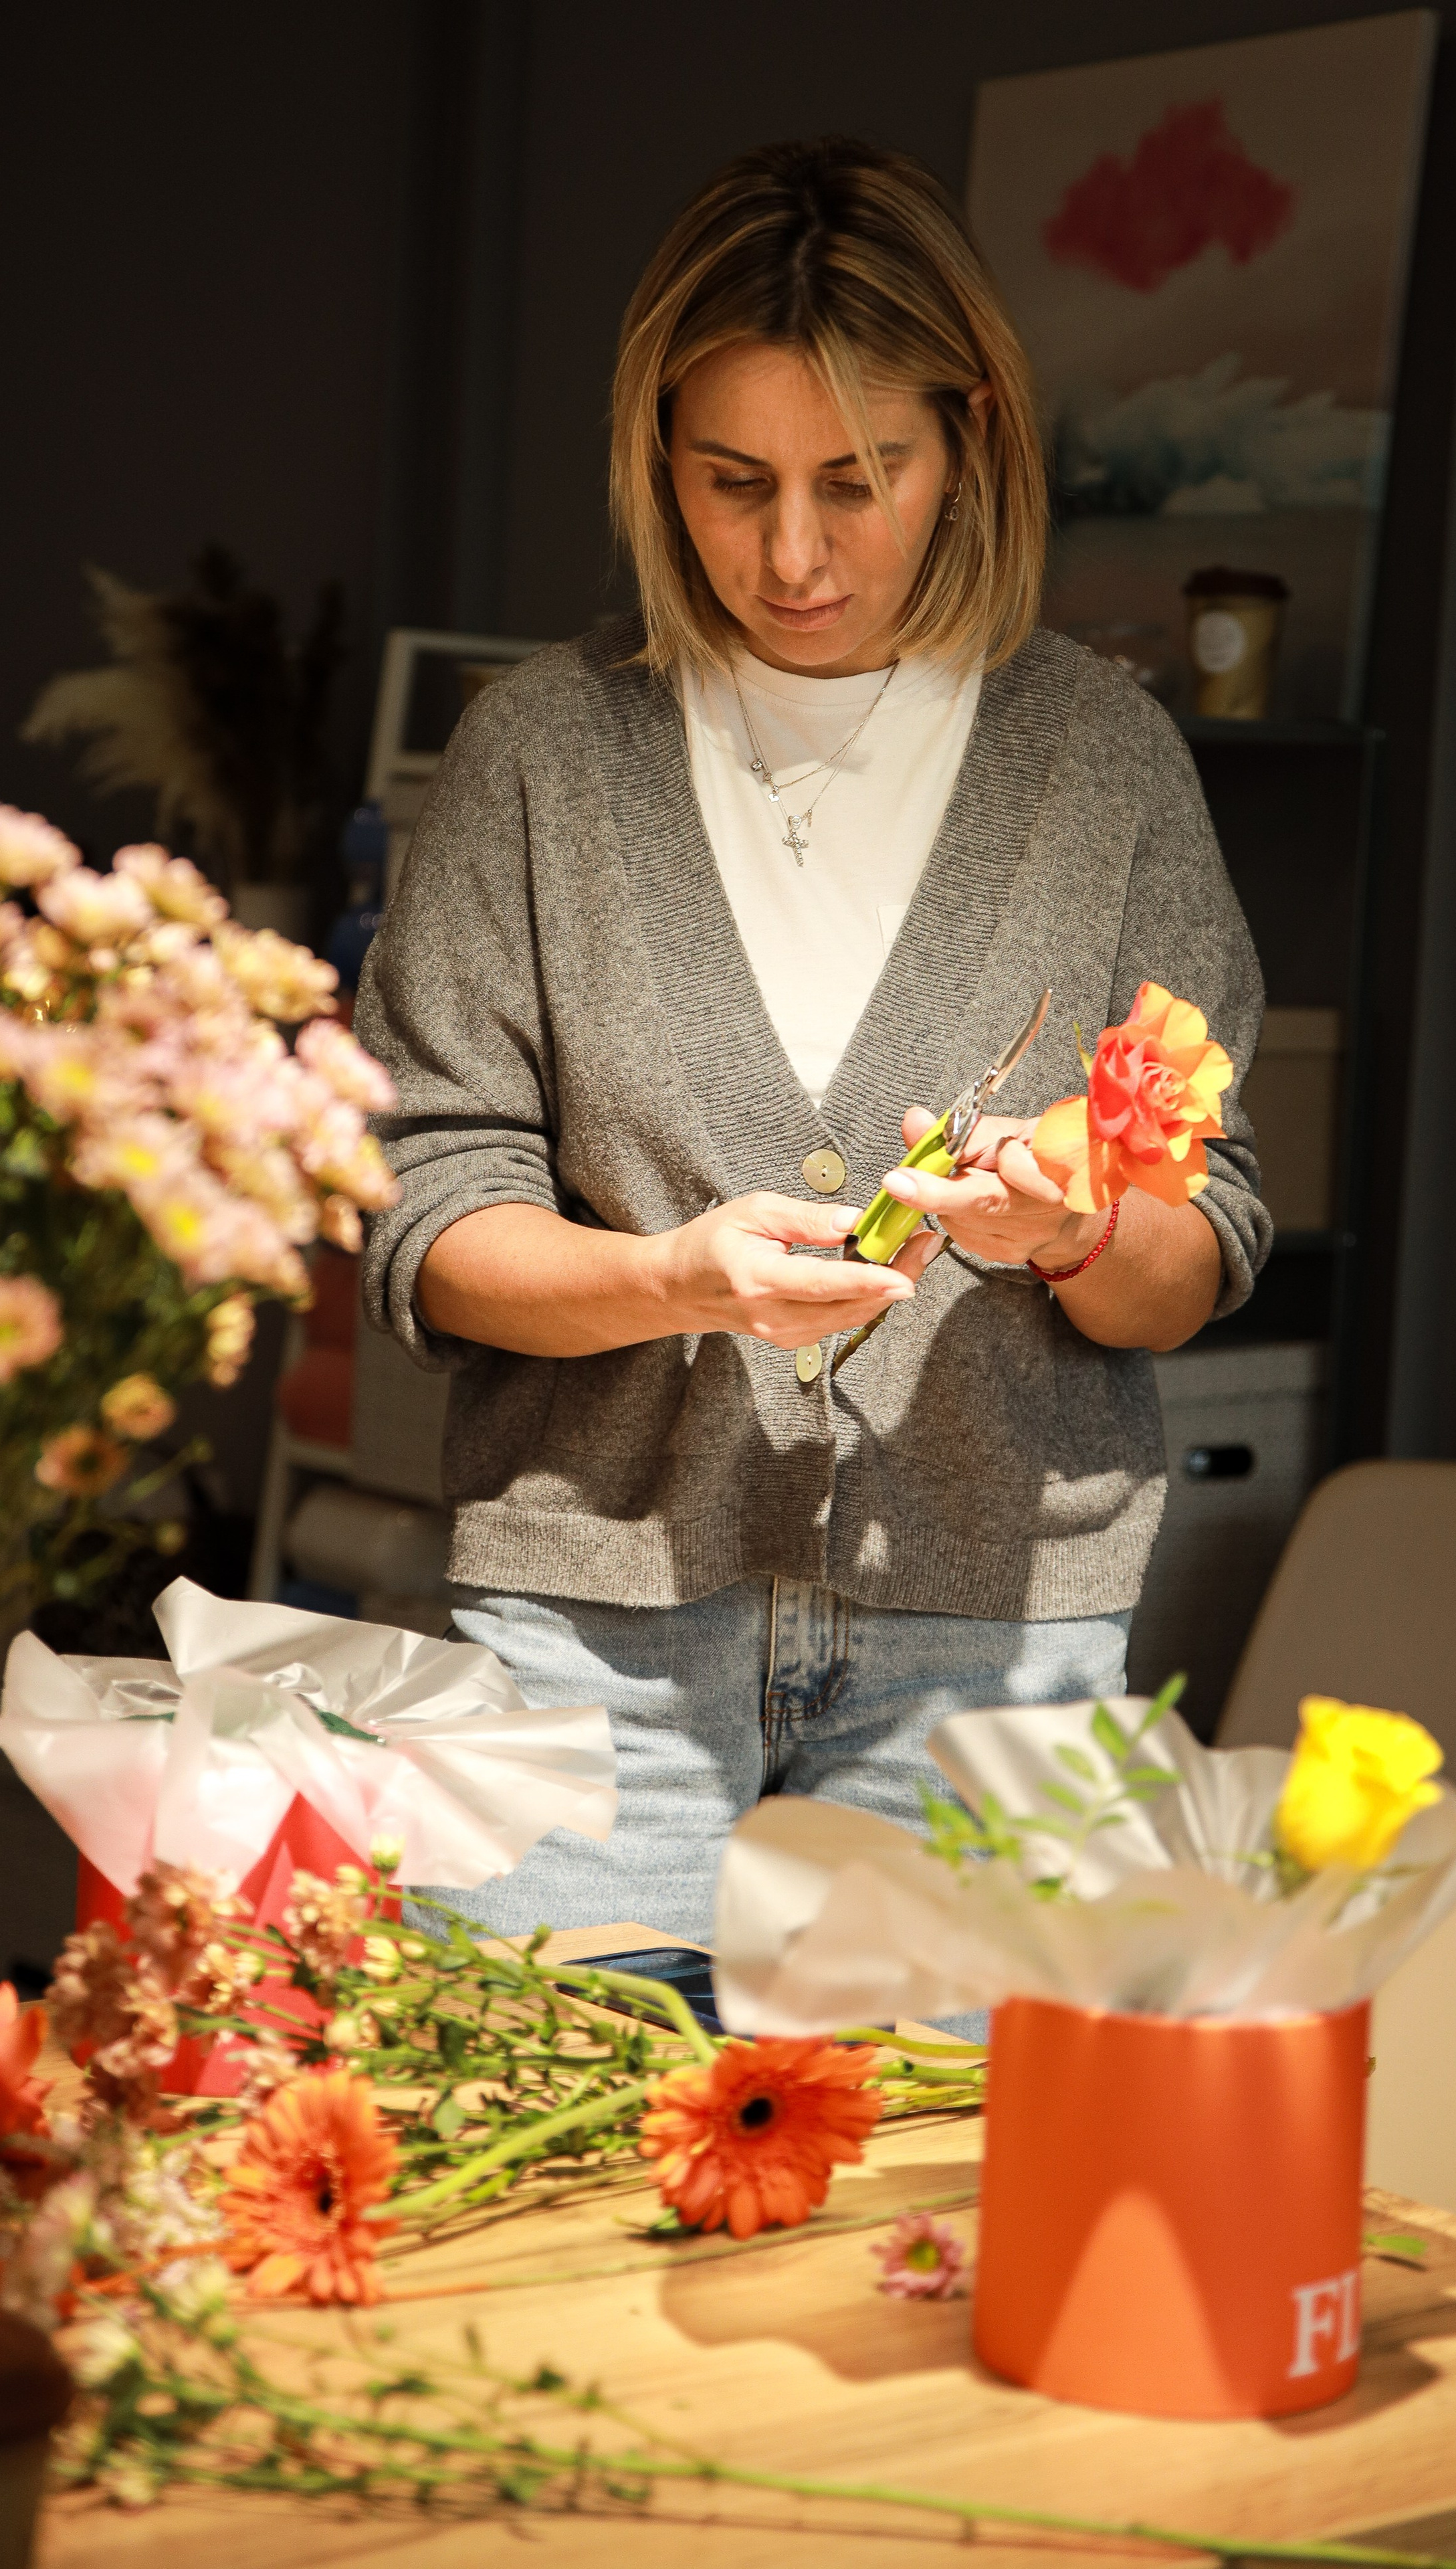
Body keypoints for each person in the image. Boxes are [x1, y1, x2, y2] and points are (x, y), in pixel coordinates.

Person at [357, 135, 1269, 1944]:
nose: (791, 554)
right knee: (557, 2175)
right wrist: (672, 1279)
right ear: (654, 464)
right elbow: (423, 1220)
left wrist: (1082, 1233)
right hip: (593, 1629)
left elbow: (1200, 1251)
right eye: (730, 480)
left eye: (861, 480)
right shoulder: (541, 757)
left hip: (998, 1640)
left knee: (946, 2210)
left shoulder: (1102, 768)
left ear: (974, 441)